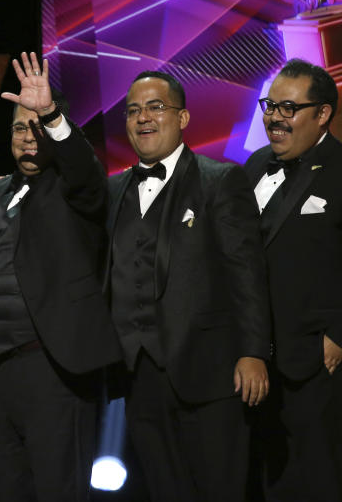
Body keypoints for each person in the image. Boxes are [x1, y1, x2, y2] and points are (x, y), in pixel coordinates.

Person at [0, 52, 121, 502]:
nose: (27, 139)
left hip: (52, 369)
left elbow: (85, 171)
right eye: (18, 128)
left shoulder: (74, 187)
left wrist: (50, 114)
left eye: (38, 129)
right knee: (7, 488)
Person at [106, 70, 270, 501]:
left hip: (211, 373)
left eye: (156, 107)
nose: (143, 117)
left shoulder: (220, 181)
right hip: (138, 375)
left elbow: (246, 273)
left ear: (183, 118)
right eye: (133, 110)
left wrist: (253, 351)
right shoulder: (113, 190)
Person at [243, 58, 342, 500]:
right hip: (258, 365)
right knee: (273, 482)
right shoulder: (254, 167)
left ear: (323, 114)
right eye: (270, 105)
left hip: (318, 362)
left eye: (288, 107)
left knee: (322, 478)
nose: (274, 117)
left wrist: (339, 334)